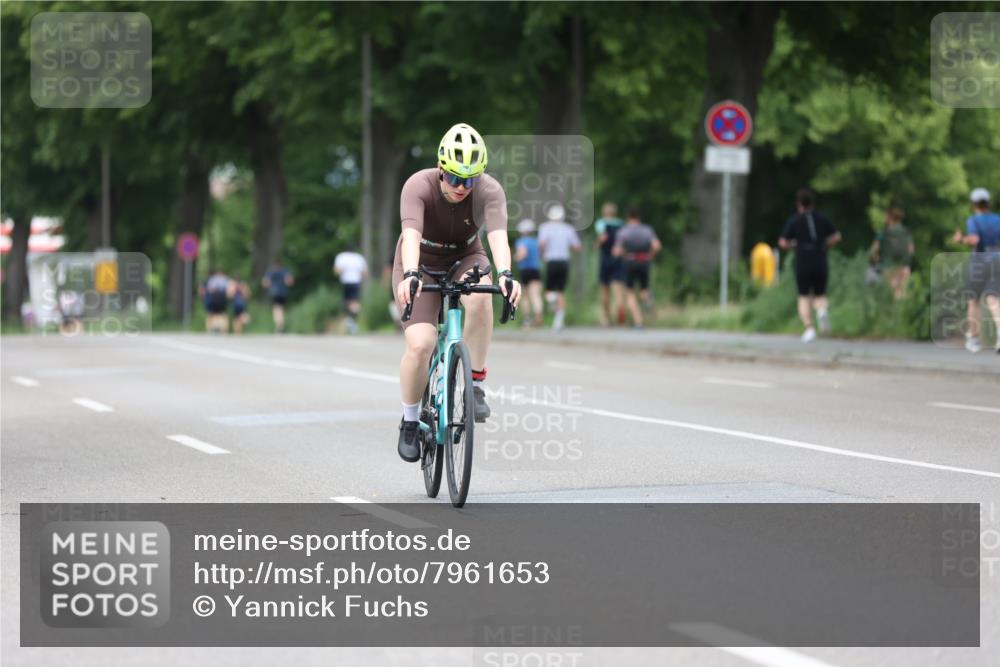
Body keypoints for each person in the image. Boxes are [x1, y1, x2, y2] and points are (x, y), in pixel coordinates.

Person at [393, 123, 522, 462]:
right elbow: (409, 236)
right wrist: (409, 274)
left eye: (470, 179)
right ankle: (409, 421)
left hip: (466, 256)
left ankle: (475, 384)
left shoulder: (489, 190)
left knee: (481, 298)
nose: (463, 187)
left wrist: (507, 274)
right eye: (454, 178)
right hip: (420, 260)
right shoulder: (417, 186)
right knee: (420, 344)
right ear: (440, 169)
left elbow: (497, 238)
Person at [778, 188, 842, 343]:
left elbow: (783, 242)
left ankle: (809, 328)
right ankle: (821, 311)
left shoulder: (795, 220)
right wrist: (824, 244)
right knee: (820, 294)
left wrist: (794, 245)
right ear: (813, 203)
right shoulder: (821, 218)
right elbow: (837, 236)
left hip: (803, 261)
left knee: (804, 296)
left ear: (798, 203)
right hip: (820, 259)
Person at [952, 187, 1000, 353]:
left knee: (974, 300)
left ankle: (973, 339)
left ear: (973, 204)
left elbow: (974, 239)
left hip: (980, 260)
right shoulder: (998, 219)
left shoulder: (974, 220)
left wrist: (960, 240)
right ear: (988, 203)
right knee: (993, 298)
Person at [612, 208, 662, 328]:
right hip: (644, 261)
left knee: (629, 293)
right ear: (638, 218)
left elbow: (616, 251)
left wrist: (622, 254)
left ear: (628, 218)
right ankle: (647, 300)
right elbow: (657, 245)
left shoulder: (624, 231)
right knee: (644, 288)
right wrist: (650, 255)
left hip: (630, 262)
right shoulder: (647, 230)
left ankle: (638, 321)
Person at [538, 203, 581, 331]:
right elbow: (577, 247)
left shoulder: (545, 227)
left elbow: (541, 244)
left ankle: (552, 300)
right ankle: (559, 320)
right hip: (564, 261)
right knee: (561, 290)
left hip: (551, 261)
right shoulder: (568, 229)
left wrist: (542, 254)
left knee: (549, 290)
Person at [869, 207, 914, 300]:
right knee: (902, 291)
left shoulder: (883, 232)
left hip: (889, 265)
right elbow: (911, 249)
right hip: (904, 265)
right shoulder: (906, 232)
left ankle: (894, 312)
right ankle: (904, 311)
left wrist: (875, 259)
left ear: (890, 217)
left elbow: (874, 249)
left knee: (892, 292)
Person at [594, 202, 626, 326]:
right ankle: (620, 307)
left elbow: (602, 238)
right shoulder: (621, 224)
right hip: (618, 259)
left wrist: (596, 244)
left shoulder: (601, 223)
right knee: (618, 288)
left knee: (605, 290)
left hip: (605, 258)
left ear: (604, 212)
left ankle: (606, 319)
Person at [514, 219, 543, 327]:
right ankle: (538, 314)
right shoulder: (536, 241)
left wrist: (516, 258)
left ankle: (527, 319)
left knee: (525, 296)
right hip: (536, 269)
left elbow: (523, 254)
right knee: (535, 295)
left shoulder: (521, 241)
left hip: (525, 270)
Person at [333, 244, 369, 334]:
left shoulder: (341, 257)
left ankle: (350, 320)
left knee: (347, 302)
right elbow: (365, 272)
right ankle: (352, 319)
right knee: (355, 302)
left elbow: (337, 271)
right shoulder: (359, 257)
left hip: (345, 282)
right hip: (356, 281)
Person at [261, 260, 294, 333]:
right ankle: (281, 325)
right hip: (283, 293)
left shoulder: (270, 272)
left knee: (276, 310)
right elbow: (289, 281)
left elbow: (265, 283)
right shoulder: (285, 271)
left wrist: (270, 285)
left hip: (274, 293)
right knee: (281, 309)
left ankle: (279, 326)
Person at [200, 268, 232, 334]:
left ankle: (209, 329)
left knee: (210, 314)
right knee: (222, 314)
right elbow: (230, 291)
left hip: (213, 298)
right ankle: (224, 330)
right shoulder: (225, 279)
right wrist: (229, 299)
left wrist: (204, 298)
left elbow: (208, 289)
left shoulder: (212, 279)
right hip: (222, 298)